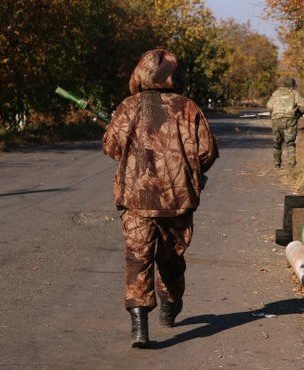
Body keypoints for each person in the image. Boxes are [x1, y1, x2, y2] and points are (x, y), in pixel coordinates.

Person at [102, 49, 219, 348]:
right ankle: (169, 305)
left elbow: (112, 147)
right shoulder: (189, 109)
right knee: (171, 258)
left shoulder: (128, 107)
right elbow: (207, 152)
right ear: (175, 76)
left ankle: (139, 325)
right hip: (177, 200)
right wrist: (184, 172)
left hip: (136, 200)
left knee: (137, 259)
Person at [266, 77, 304, 168]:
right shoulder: (294, 93)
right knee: (290, 142)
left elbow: (269, 106)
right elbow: (302, 106)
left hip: (276, 119)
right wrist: (299, 113)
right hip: (290, 119)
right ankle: (291, 165)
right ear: (293, 85)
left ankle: (277, 164)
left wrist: (274, 112)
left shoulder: (275, 93)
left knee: (277, 142)